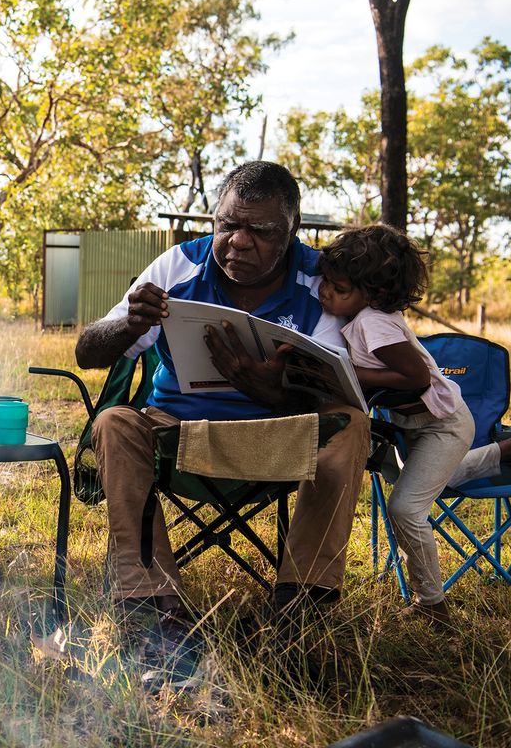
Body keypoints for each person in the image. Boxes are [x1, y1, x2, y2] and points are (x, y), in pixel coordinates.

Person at [74, 161, 371, 653]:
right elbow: (87, 353)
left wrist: (271, 393)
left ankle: (294, 614)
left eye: (260, 231)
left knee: (351, 425)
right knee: (114, 421)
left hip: (279, 438)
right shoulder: (178, 266)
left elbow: (338, 390)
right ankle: (156, 612)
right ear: (214, 219)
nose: (238, 241)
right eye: (228, 225)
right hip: (177, 434)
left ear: (291, 232)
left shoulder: (322, 281)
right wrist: (130, 323)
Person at [318, 224, 511, 625]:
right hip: (416, 424)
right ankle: (509, 449)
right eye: (326, 283)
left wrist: (357, 376)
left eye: (339, 288)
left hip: (445, 425)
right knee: (441, 479)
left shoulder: (373, 322)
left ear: (372, 293)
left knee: (405, 506)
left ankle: (433, 605)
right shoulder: (356, 315)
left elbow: (417, 378)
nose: (326, 292)